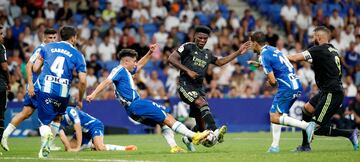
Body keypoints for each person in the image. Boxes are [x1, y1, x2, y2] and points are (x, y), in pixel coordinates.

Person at [86, 46, 210, 153]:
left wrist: (149, 53)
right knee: (167, 117)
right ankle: (194, 136)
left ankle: (174, 147)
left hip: (131, 111)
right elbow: (106, 81)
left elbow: (140, 65)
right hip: (136, 104)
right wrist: (93, 94)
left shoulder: (126, 72)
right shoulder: (118, 70)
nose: (135, 64)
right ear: (126, 61)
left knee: (162, 122)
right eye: (133, 61)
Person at [168, 25, 251, 151]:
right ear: (194, 36)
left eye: (205, 39)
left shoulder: (207, 54)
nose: (202, 40)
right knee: (202, 103)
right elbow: (171, 58)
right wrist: (187, 71)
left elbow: (220, 62)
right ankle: (215, 130)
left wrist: (238, 52)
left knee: (201, 128)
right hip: (185, 85)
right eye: (200, 37)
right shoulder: (188, 46)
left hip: (199, 89)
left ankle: (187, 138)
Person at [288, 26, 359, 151]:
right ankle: (305, 145)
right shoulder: (333, 50)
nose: (312, 38)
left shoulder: (319, 49)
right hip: (326, 91)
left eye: (313, 36)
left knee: (314, 128)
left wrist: (275, 59)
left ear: (318, 37)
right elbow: (322, 63)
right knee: (306, 109)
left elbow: (294, 58)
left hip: (332, 93)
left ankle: (349, 134)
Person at [250, 31, 315, 153]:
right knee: (278, 115)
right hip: (296, 85)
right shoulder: (272, 49)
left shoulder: (263, 56)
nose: (250, 46)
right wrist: (260, 65)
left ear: (255, 43)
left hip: (287, 87)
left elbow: (273, 81)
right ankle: (274, 146)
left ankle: (306, 126)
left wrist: (270, 82)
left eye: (251, 43)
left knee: (274, 117)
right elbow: (278, 64)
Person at [32, 26, 87, 158]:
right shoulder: (78, 54)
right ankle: (45, 149)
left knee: (44, 122)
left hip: (46, 88)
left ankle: (46, 138)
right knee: (57, 118)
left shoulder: (47, 47)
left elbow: (35, 68)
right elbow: (83, 81)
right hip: (63, 93)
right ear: (73, 38)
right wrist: (80, 99)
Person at [1, 28, 59, 151]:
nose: (53, 40)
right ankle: (47, 145)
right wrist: (31, 84)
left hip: (46, 87)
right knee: (49, 115)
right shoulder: (41, 49)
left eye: (54, 37)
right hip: (38, 87)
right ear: (44, 38)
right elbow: (29, 66)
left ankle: (4, 136)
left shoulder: (53, 50)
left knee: (26, 113)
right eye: (50, 38)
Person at [59, 99, 137, 152]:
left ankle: (125, 148)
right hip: (84, 132)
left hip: (94, 125)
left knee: (100, 148)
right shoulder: (56, 118)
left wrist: (78, 147)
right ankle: (90, 145)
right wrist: (68, 147)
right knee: (68, 148)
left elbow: (78, 129)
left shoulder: (70, 111)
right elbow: (61, 134)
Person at [0, 25, 10, 155]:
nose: (2, 36)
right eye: (1, 33)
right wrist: (9, 81)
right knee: (0, 117)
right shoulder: (1, 47)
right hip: (0, 86)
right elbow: (4, 67)